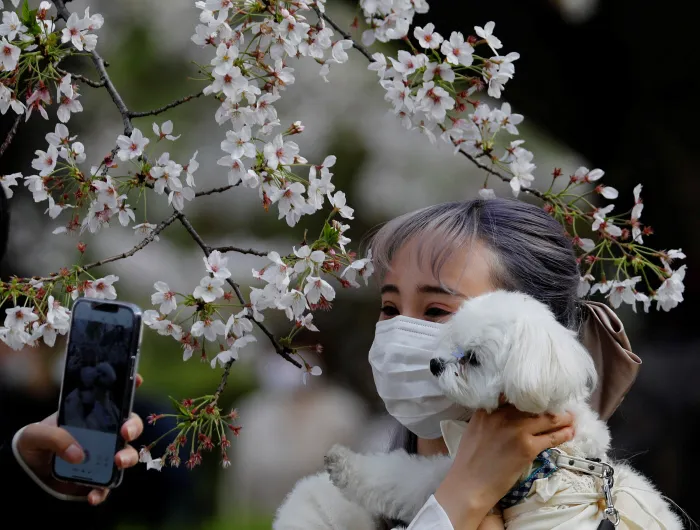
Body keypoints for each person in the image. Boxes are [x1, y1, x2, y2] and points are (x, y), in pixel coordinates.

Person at [274, 198, 678, 530]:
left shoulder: (625, 512)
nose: (400, 332)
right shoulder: (324, 512)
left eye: (436, 310)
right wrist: (463, 497)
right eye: (390, 308)